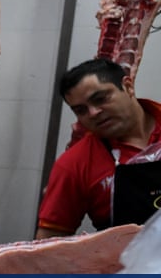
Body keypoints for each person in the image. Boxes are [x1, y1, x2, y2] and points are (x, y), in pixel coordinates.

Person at [36, 58, 161, 239]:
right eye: (81, 110)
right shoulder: (74, 164)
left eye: (100, 99)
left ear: (128, 87)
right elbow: (48, 242)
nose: (93, 113)